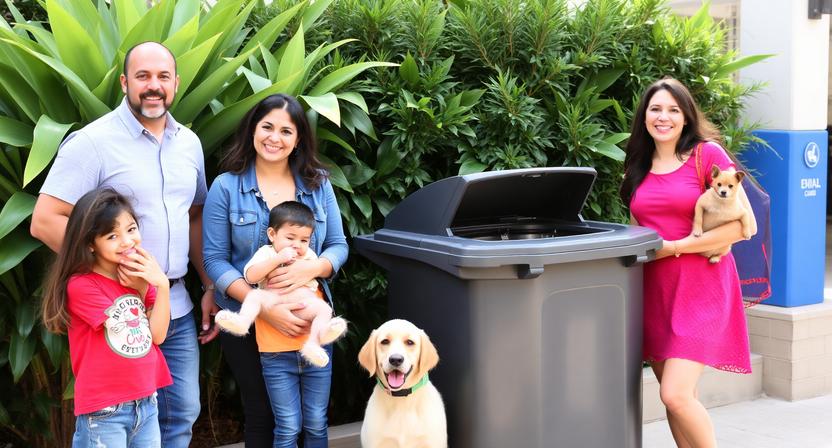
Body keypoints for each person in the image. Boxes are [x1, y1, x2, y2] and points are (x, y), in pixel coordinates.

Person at [30, 41, 216, 448]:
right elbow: (45, 221)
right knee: (120, 421)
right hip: (121, 310)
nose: (154, 86)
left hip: (176, 303)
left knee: (181, 413)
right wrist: (116, 275)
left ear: (176, 83)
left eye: (163, 77)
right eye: (143, 76)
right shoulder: (92, 142)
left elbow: (194, 216)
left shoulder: (189, 143)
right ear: (124, 82)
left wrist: (209, 284)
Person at [203, 93, 348, 447]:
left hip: (305, 313)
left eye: (286, 131)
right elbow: (214, 260)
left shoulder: (318, 185)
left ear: (298, 139)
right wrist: (262, 305)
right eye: (267, 126)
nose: (274, 137)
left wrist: (312, 268)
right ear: (253, 129)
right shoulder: (226, 187)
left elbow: (339, 245)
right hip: (247, 316)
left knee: (313, 417)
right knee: (263, 413)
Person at [620, 77, 753, 448]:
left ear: (686, 116)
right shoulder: (639, 164)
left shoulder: (707, 156)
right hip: (655, 290)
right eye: (656, 109)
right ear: (644, 116)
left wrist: (676, 246)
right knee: (675, 399)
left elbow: (740, 228)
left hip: (701, 285)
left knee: (675, 395)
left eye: (673, 110)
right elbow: (638, 227)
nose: (664, 117)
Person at [41, 188, 172, 448]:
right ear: (91, 243)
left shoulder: (140, 280)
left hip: (146, 401)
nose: (127, 241)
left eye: (131, 229)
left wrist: (159, 286)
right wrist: (143, 288)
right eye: (112, 236)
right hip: (105, 410)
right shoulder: (82, 286)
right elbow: (130, 331)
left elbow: (157, 336)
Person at [214, 200, 348, 368]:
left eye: (304, 240)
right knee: (255, 296)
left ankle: (314, 343)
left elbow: (318, 270)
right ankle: (242, 322)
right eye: (290, 238)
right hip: (272, 300)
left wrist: (309, 268)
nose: (297, 245)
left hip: (303, 303)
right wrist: (278, 259)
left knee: (324, 309)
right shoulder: (267, 252)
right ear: (272, 235)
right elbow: (251, 276)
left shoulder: (308, 255)